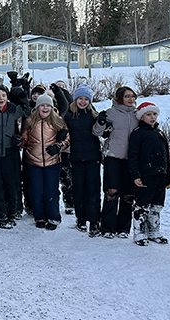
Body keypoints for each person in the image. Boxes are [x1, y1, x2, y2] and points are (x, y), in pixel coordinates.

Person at [93, 86, 138, 238]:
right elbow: (97, 133)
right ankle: (107, 227)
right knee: (111, 192)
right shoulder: (110, 113)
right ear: (119, 98)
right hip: (113, 157)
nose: (131, 99)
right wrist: (100, 122)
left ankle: (124, 228)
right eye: (127, 96)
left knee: (128, 194)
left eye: (132, 96)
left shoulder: (138, 114)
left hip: (131, 159)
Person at [0, 84, 29, 229]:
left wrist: (22, 96)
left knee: (10, 184)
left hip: (9, 152)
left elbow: (27, 110)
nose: (1, 98)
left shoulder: (12, 111)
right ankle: (0, 214)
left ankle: (11, 212)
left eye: (3, 95)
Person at [21, 94, 70, 230]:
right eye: (42, 105)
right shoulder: (30, 121)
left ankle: (53, 217)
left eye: (48, 105)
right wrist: (19, 140)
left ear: (52, 107)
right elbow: (24, 139)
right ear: (37, 107)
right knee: (36, 191)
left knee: (51, 191)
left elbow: (67, 139)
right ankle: (40, 216)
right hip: (33, 162)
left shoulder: (58, 121)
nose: (45, 107)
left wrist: (59, 146)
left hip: (52, 162)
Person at [128, 102, 170, 246]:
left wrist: (168, 175)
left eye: (154, 114)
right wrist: (135, 175)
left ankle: (154, 230)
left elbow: (166, 155)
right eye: (148, 114)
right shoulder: (138, 133)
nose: (152, 117)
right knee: (143, 204)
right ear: (141, 117)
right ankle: (139, 232)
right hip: (145, 175)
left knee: (157, 205)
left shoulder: (159, 133)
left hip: (160, 174)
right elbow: (133, 156)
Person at [63, 84, 102, 237]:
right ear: (75, 99)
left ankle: (94, 220)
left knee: (93, 189)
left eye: (86, 99)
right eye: (80, 98)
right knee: (78, 189)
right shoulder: (69, 115)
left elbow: (101, 132)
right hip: (76, 158)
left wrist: (103, 123)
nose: (83, 102)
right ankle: (80, 218)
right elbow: (64, 133)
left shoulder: (93, 115)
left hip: (93, 157)